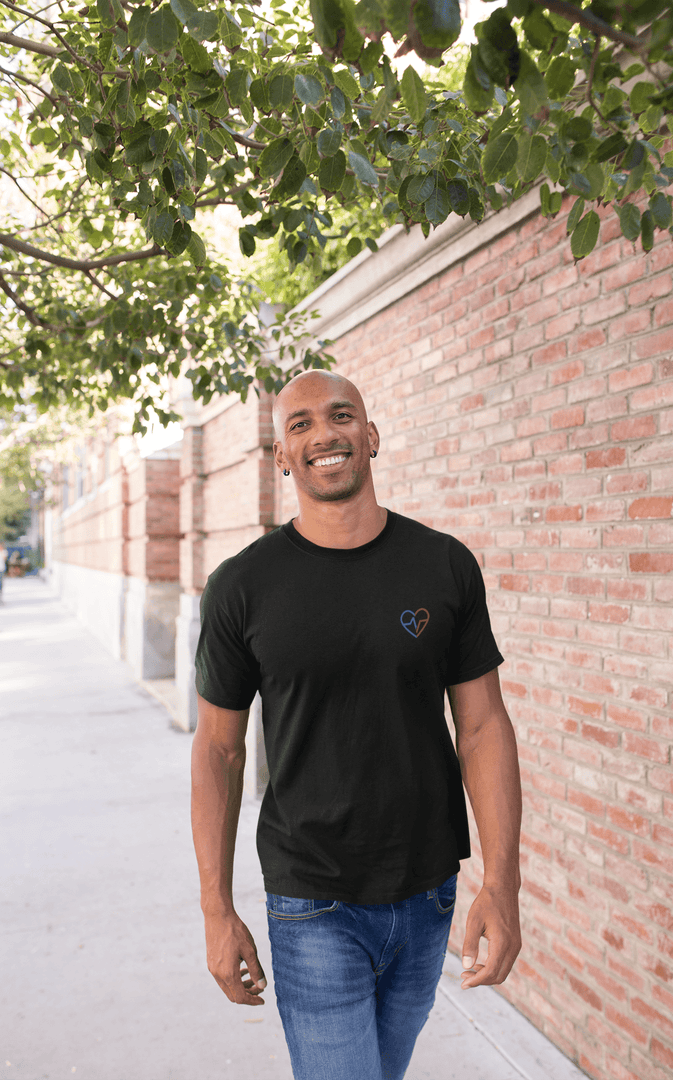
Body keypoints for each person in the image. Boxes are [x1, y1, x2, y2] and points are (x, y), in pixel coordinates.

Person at [191, 370, 522, 1080]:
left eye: (340, 417)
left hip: (429, 891)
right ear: (282, 455)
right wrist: (217, 911)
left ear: (369, 436)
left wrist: (503, 883)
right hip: (313, 898)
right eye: (300, 425)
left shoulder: (443, 565)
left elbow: (485, 725)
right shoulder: (241, 588)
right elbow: (218, 751)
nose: (323, 434)